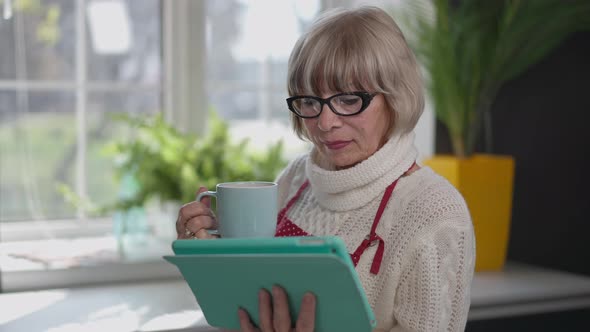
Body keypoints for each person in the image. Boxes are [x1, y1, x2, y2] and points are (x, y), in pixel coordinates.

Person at [176, 5, 475, 332]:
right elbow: (247, 306)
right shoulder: (296, 178)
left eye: (348, 99)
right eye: (309, 101)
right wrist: (208, 254)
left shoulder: (435, 212)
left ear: (395, 96)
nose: (325, 122)